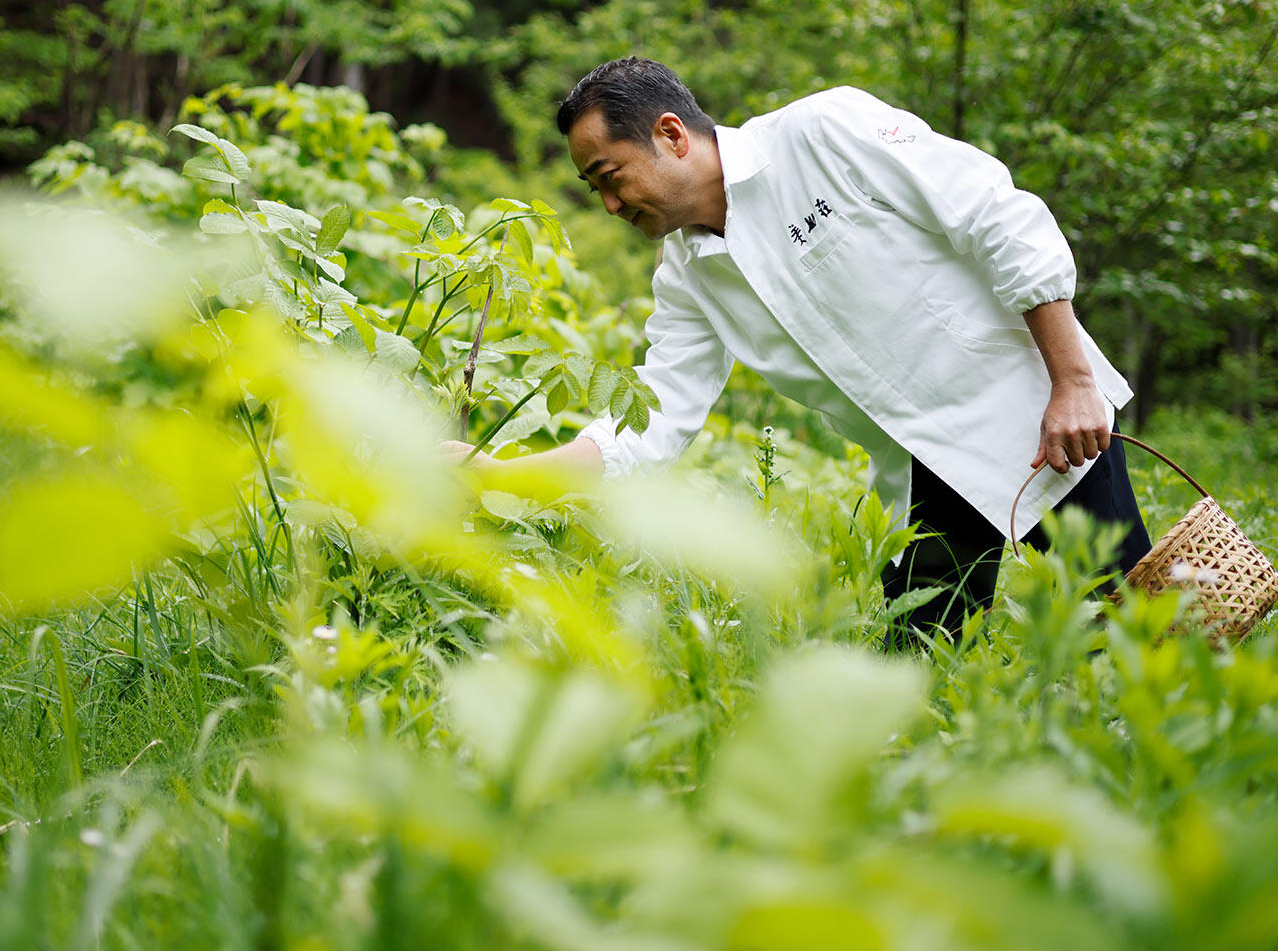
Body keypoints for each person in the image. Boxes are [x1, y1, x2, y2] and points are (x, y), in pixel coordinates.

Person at [451, 56, 1150, 640]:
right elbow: (650, 422)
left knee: (1141, 637)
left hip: (1039, 420)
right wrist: (497, 473)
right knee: (913, 677)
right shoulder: (688, 277)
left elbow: (994, 214)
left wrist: (1072, 381)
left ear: (671, 134)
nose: (608, 204)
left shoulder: (822, 132)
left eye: (610, 176)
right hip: (917, 475)